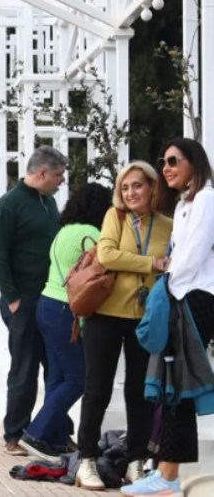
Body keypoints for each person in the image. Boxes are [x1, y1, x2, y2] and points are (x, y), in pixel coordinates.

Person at [121, 138, 214, 496]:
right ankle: (167, 474)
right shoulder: (189, 201)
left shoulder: (205, 199)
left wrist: (169, 286)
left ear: (194, 162)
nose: (167, 167)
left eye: (174, 160)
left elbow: (190, 255)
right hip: (183, 294)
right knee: (175, 387)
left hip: (194, 296)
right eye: (164, 162)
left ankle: (169, 477)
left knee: (176, 385)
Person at [75, 161, 173, 491]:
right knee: (97, 389)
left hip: (146, 320)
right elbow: (107, 255)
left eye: (137, 186)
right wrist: (152, 264)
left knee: (139, 394)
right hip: (104, 315)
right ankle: (85, 460)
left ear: (152, 188)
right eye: (125, 187)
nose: (131, 192)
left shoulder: (168, 225)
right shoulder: (114, 218)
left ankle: (135, 463)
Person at [17, 183, 113, 461]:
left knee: (58, 378)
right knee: (77, 378)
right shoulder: (92, 234)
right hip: (64, 310)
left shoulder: (63, 232)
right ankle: (35, 434)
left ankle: (54, 439)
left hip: (46, 305)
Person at [0, 146, 68, 456]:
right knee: (25, 368)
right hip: (23, 301)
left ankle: (53, 433)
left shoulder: (49, 202)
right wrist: (14, 299)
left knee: (58, 368)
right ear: (43, 173)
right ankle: (14, 435)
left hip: (50, 299)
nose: (61, 181)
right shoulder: (9, 205)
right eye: (58, 175)